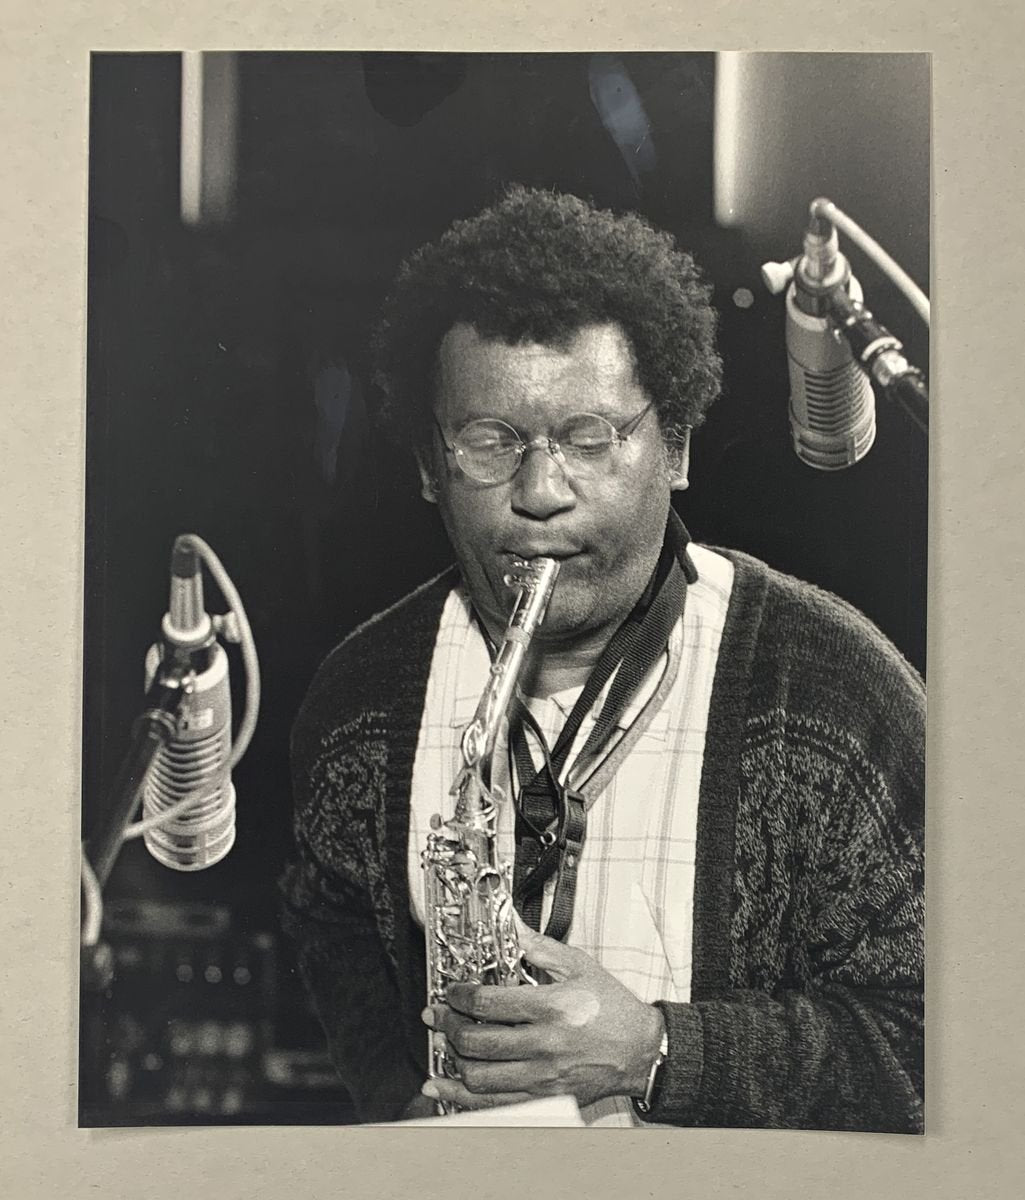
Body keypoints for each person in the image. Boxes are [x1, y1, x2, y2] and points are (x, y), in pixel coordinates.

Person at [279, 186, 925, 1131]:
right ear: (429, 466)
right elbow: (328, 930)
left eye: (589, 437)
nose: (540, 494)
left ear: (675, 449)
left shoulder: (841, 699)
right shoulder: (359, 700)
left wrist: (661, 1051)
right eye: (488, 442)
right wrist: (395, 1101)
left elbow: (953, 1045)